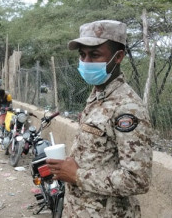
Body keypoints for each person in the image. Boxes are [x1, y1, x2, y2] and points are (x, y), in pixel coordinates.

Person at [45, 20, 153, 217]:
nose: (86, 62)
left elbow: (137, 179)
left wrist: (77, 175)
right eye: (82, 55)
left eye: (94, 55)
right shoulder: (97, 96)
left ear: (118, 56)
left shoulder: (127, 107)